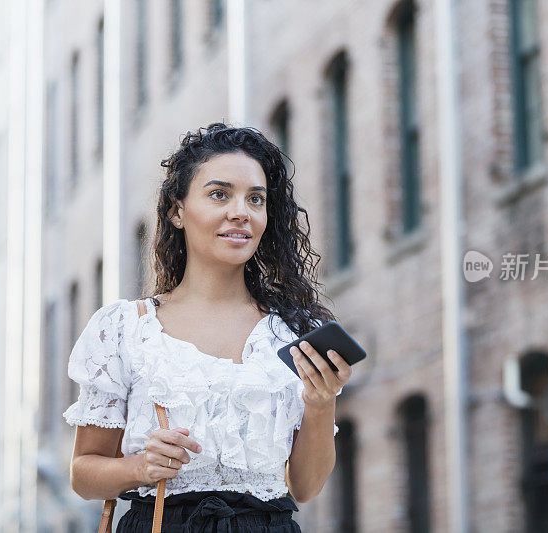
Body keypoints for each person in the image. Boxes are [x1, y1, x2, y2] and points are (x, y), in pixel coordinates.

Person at [63, 123, 352, 531]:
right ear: (177, 211)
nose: (240, 212)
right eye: (220, 194)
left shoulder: (291, 332)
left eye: (256, 199)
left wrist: (321, 403)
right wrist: (142, 466)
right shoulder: (125, 328)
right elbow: (83, 474)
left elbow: (305, 486)